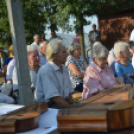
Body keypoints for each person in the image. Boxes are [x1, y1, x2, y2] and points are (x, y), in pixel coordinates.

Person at [35, 39, 74, 109]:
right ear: (54, 55)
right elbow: (55, 98)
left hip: (61, 104)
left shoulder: (64, 68)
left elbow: (68, 93)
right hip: (47, 108)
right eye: (63, 52)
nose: (67, 54)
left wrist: (73, 105)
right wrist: (71, 109)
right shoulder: (46, 70)